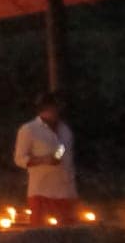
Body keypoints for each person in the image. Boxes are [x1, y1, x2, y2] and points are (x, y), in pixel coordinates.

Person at [14, 93, 77, 225]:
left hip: (66, 190)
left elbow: (63, 149)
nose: (57, 111)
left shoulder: (65, 130)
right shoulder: (29, 130)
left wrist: (57, 157)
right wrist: (43, 160)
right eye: (54, 107)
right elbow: (20, 159)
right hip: (41, 191)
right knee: (41, 234)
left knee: (69, 234)